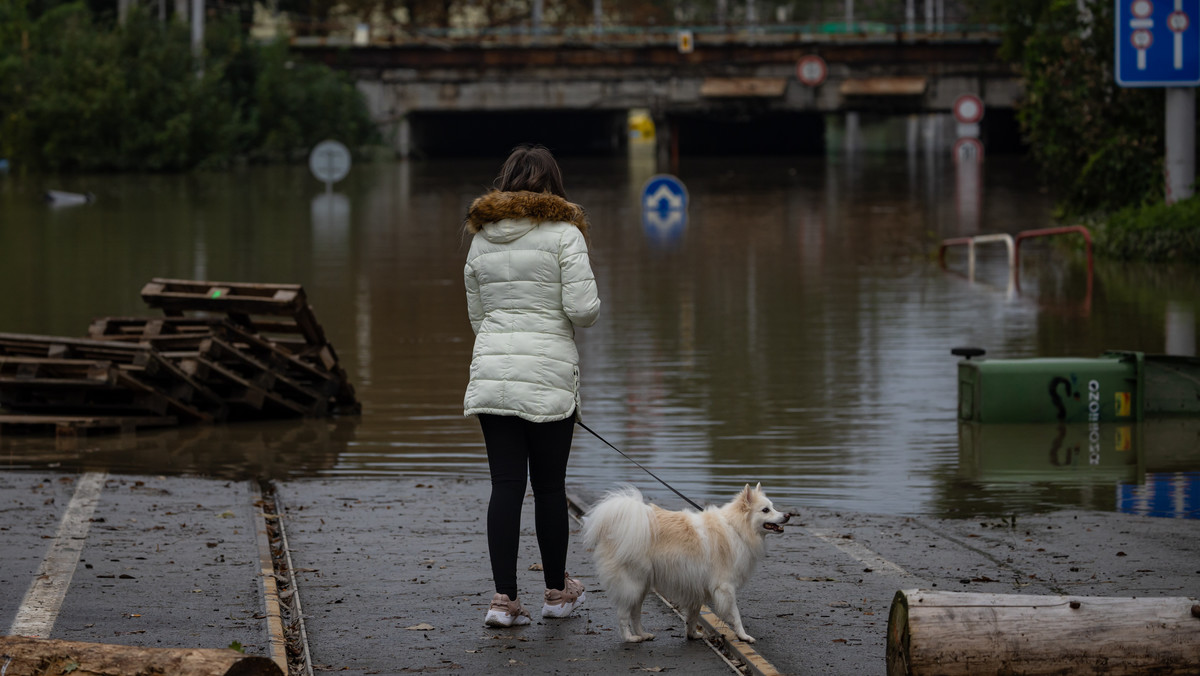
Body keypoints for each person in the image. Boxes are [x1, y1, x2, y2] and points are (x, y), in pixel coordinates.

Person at [462, 144, 601, 628]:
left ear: (504, 183)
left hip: (492, 372)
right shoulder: (565, 235)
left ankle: (503, 601)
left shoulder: (480, 239)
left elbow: (478, 318)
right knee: (548, 488)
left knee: (505, 485)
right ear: (553, 185)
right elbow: (583, 311)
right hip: (548, 373)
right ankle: (558, 594)